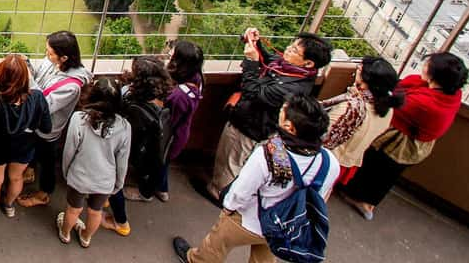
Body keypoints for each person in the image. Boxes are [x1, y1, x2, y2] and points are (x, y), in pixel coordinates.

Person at [173, 94, 340, 263]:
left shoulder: (271, 154)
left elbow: (241, 191)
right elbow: (320, 195)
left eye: (283, 111)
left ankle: (196, 260)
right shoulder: (329, 162)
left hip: (249, 219)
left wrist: (228, 208)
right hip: (284, 225)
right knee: (264, 257)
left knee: (216, 243)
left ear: (289, 127)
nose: (280, 111)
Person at [341, 52, 469, 220]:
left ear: (435, 75)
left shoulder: (424, 104)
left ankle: (361, 198)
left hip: (401, 142)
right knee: (385, 172)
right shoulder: (450, 93)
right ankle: (366, 200)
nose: (423, 66)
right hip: (413, 141)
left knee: (377, 166)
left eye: (427, 65)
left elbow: (390, 103)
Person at [207, 29, 332, 200]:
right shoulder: (292, 70)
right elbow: (270, 61)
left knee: (231, 164)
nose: (288, 49)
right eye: (291, 45)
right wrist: (256, 44)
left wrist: (251, 61)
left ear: (309, 63)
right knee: (232, 162)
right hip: (253, 123)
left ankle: (219, 195)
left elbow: (253, 91)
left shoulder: (293, 88)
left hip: (250, 128)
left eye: (294, 50)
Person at [0, 53, 51, 227]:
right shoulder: (37, 98)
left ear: (0, 77)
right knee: (16, 178)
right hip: (24, 146)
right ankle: (9, 205)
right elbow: (46, 128)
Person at [18, 30, 93, 208]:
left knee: (47, 161)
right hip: (36, 123)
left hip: (48, 128)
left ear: (64, 58)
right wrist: (27, 64)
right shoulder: (53, 61)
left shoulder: (71, 86)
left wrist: (26, 77)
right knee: (33, 146)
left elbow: (43, 106)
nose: (46, 55)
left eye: (50, 52)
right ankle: (30, 171)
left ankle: (44, 193)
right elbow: (38, 75)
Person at [57, 79, 130, 248]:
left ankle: (65, 233)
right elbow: (122, 160)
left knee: (73, 209)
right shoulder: (125, 126)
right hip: (105, 180)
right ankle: (85, 237)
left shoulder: (79, 118)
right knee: (95, 211)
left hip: (79, 175)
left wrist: (67, 172)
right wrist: (118, 184)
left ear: (92, 96)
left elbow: (69, 150)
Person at [105, 55, 173, 236]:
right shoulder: (159, 99)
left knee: (114, 184)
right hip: (137, 151)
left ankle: (121, 221)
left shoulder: (133, 103)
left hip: (124, 149)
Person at [135, 40, 203, 203]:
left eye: (173, 52)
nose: (170, 53)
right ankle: (162, 189)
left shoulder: (179, 96)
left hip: (169, 135)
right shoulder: (196, 77)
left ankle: (146, 193)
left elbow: (167, 119)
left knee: (157, 161)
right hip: (177, 133)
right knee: (163, 162)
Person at [321, 57, 404, 187]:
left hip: (328, 161)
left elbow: (324, 137)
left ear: (365, 79)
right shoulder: (387, 108)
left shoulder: (353, 108)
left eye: (359, 69)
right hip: (348, 162)